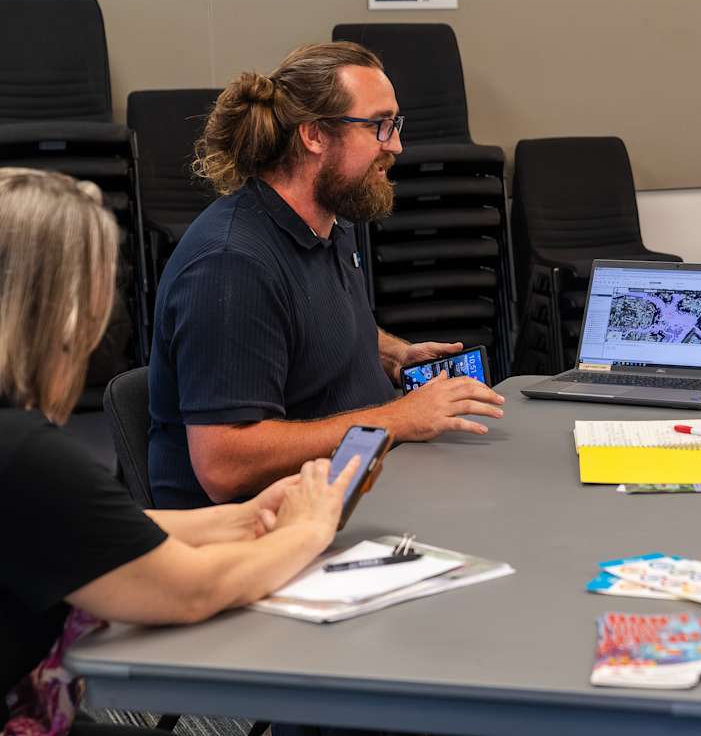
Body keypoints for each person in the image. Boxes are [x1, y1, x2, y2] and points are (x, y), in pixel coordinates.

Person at [0, 168, 354, 736]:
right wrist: (308, 530)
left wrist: (242, 518)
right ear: (60, 311)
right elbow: (193, 588)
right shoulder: (23, 455)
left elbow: (92, 529)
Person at [149, 41, 505, 509]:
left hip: (353, 484)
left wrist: (393, 353)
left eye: (395, 124)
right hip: (265, 532)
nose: (395, 145)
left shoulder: (326, 223)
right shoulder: (230, 265)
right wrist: (397, 419)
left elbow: (307, 317)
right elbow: (223, 465)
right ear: (315, 135)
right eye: (379, 125)